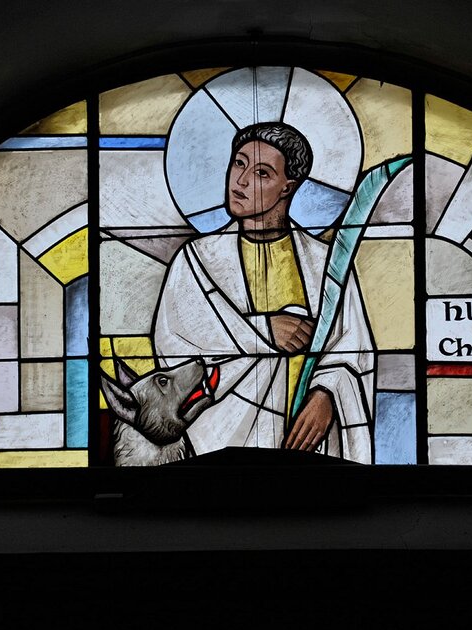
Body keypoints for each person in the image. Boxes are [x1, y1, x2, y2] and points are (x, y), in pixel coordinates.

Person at [153, 122, 375, 463]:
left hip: (306, 444)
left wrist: (326, 393)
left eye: (261, 173)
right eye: (238, 163)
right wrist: (262, 331)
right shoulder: (197, 260)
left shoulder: (326, 264)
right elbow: (175, 351)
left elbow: (353, 346)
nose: (240, 181)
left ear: (288, 187)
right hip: (217, 446)